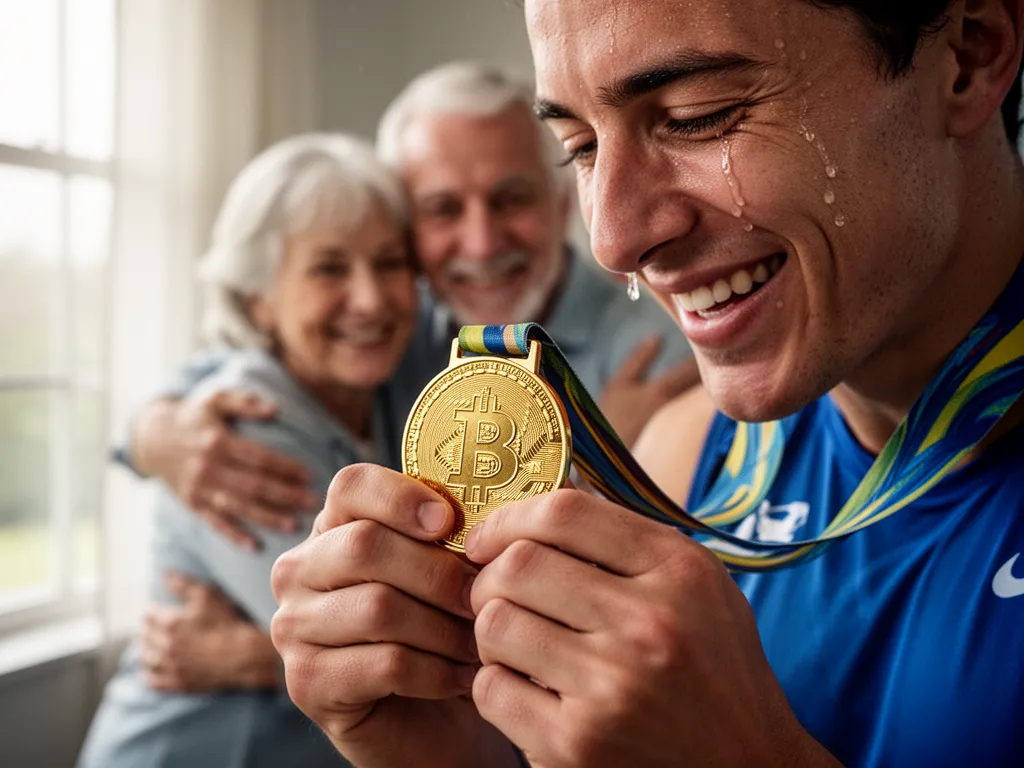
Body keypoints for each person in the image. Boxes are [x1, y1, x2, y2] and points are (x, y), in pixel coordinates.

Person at [268, 1, 1024, 767]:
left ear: (967, 56)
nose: (613, 239)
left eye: (701, 116)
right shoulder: (682, 458)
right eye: (580, 147)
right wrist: (456, 755)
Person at [123, 62, 698, 555]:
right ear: (408, 226)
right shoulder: (401, 327)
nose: (482, 242)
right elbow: (251, 359)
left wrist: (602, 464)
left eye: (510, 199)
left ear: (560, 202)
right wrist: (154, 429)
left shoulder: (658, 355)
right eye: (444, 208)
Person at [78, 133, 420, 767]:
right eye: (329, 268)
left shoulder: (392, 386)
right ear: (259, 299)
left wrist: (247, 656)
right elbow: (359, 645)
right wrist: (282, 654)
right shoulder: (241, 425)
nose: (371, 298)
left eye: (390, 261)